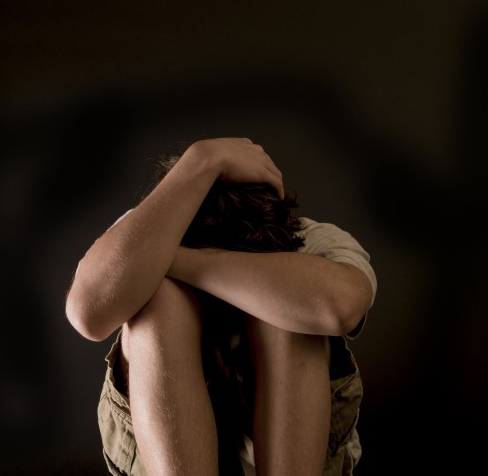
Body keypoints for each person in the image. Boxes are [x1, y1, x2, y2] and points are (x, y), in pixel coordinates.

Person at [65, 137, 377, 476]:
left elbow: (340, 307)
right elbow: (89, 315)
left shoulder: (307, 238)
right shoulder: (148, 232)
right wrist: (202, 159)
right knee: (160, 302)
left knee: (289, 307)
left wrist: (184, 261)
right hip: (166, 459)